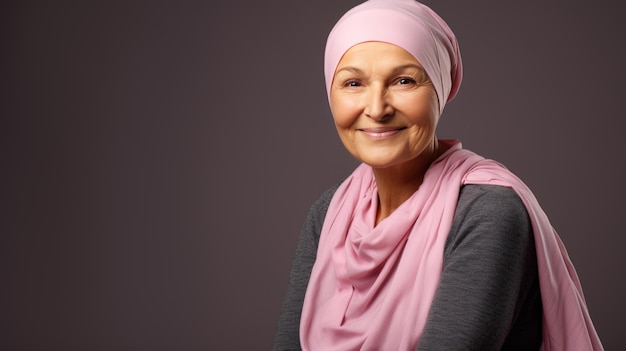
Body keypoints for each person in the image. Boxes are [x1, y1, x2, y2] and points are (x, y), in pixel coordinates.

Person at [272, 0, 603, 350]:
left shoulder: (488, 213)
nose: (376, 108)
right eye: (353, 84)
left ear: (441, 90)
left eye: (403, 80)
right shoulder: (329, 215)